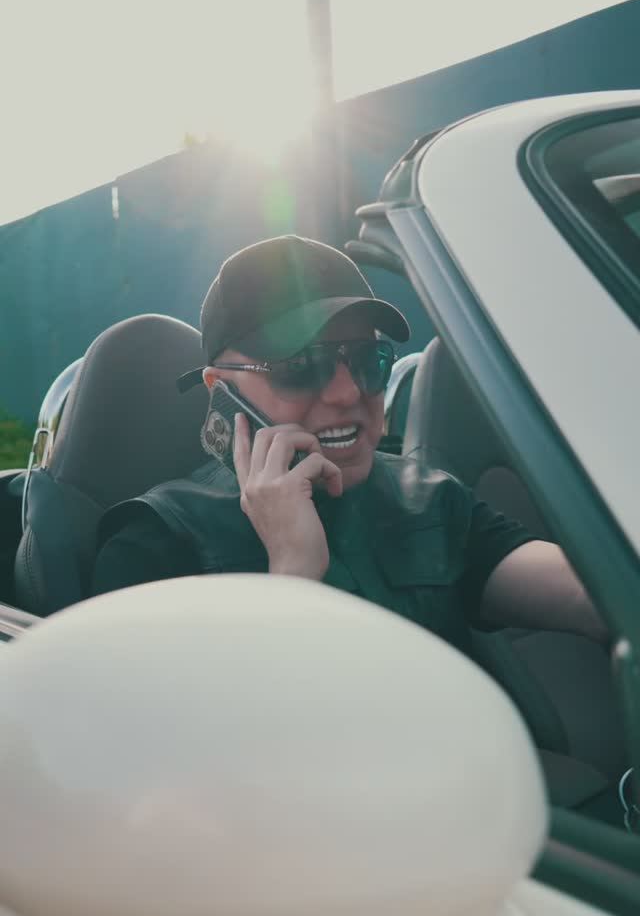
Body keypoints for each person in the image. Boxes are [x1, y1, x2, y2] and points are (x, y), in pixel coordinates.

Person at [92, 234, 607, 657]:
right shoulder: (155, 547)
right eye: (301, 366)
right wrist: (294, 571)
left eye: (367, 361)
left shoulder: (428, 498)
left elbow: (593, 595)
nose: (347, 393)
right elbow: (193, 739)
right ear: (219, 388)